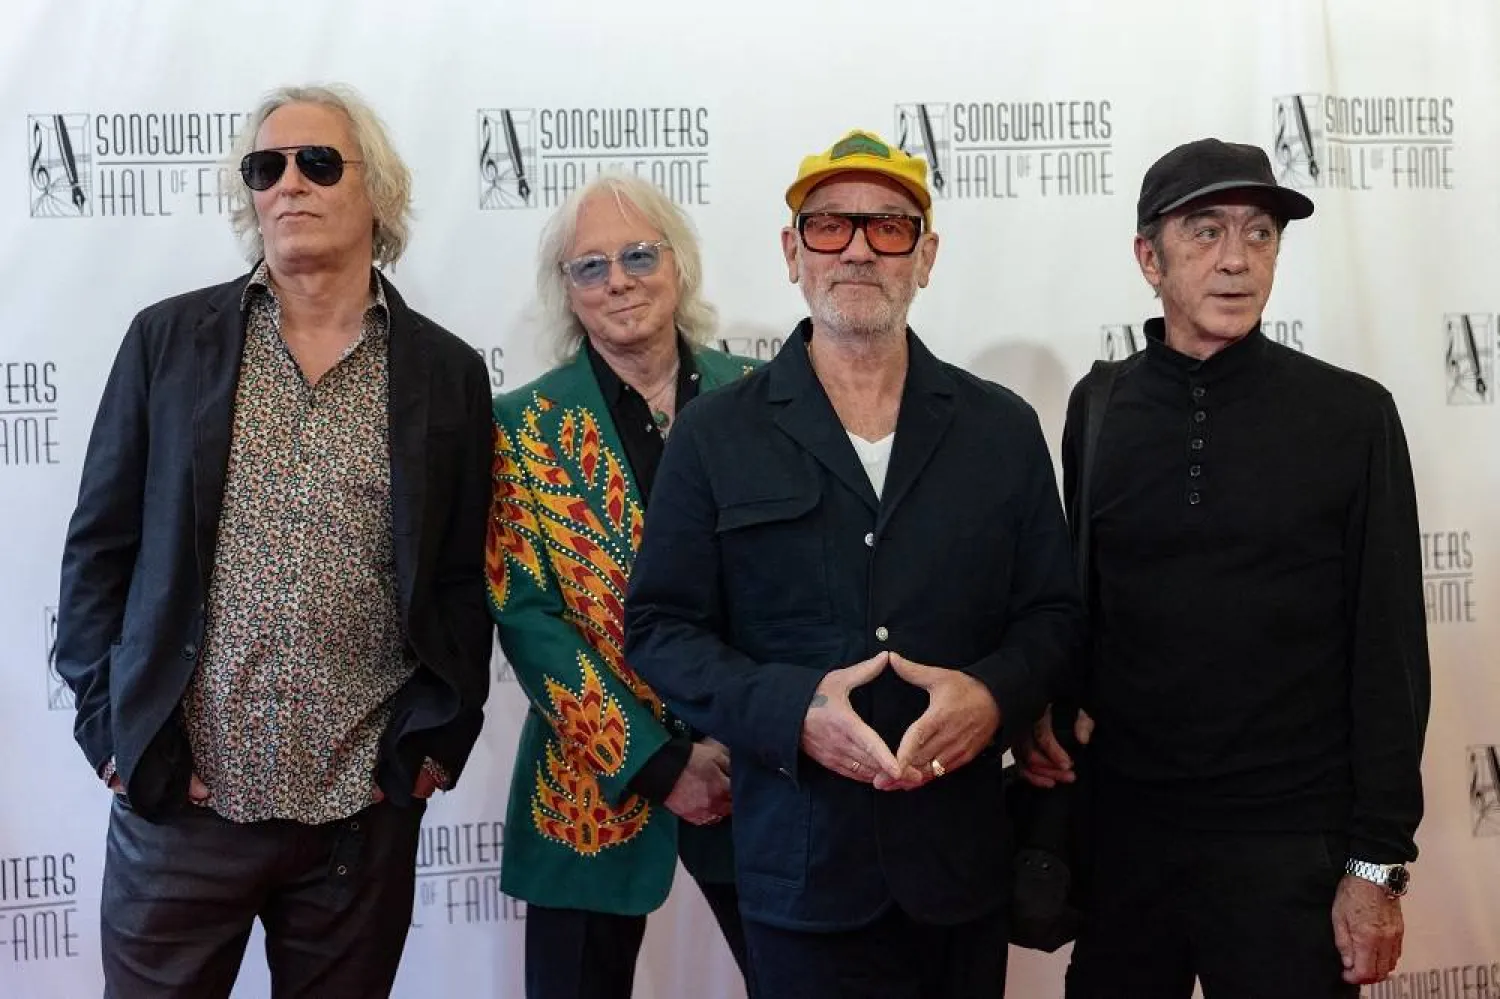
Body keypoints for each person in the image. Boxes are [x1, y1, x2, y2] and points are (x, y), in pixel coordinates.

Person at [54, 83, 494, 998]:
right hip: (180, 810)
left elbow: (461, 580)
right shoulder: (167, 341)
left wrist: (430, 750)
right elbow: (99, 551)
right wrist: (111, 734)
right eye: (266, 167)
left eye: (318, 163)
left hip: (358, 820)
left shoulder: (445, 371)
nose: (289, 183)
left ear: (378, 193)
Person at [623, 129, 1081, 998]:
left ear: (926, 257)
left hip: (961, 870)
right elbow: (659, 628)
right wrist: (792, 712)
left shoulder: (1001, 429)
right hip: (801, 871)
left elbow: (1053, 616)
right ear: (792, 252)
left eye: (889, 227)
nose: (859, 248)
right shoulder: (716, 434)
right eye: (830, 225)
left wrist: (993, 697)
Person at [1021, 138, 1430, 997]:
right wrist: (1046, 711)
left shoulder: (1351, 416)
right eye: (1205, 231)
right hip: (1126, 847)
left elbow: (1390, 653)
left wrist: (1377, 865)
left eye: (1260, 232)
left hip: (1291, 853)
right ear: (1150, 258)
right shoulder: (1098, 408)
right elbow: (1083, 606)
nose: (1237, 258)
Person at [486, 173, 754, 999]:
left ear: (678, 265)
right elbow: (529, 619)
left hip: (761, 770)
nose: (619, 281)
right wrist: (655, 761)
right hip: (589, 781)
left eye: (639, 255)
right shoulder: (521, 426)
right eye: (591, 266)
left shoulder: (764, 396)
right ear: (567, 290)